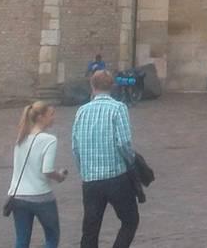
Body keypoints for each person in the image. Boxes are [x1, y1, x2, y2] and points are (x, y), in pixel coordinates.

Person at [72, 69, 138, 248]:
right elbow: (124, 143)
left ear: (92, 86)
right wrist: (132, 161)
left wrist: (84, 171)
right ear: (113, 86)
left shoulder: (82, 111)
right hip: (116, 176)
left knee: (90, 229)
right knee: (130, 220)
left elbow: (75, 147)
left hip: (91, 179)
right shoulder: (118, 108)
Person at [8, 100, 67, 248]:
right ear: (41, 117)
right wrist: (59, 176)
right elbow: (47, 170)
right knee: (52, 237)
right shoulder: (49, 140)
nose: (53, 118)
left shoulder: (20, 138)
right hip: (41, 196)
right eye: (51, 115)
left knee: (22, 240)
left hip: (18, 195)